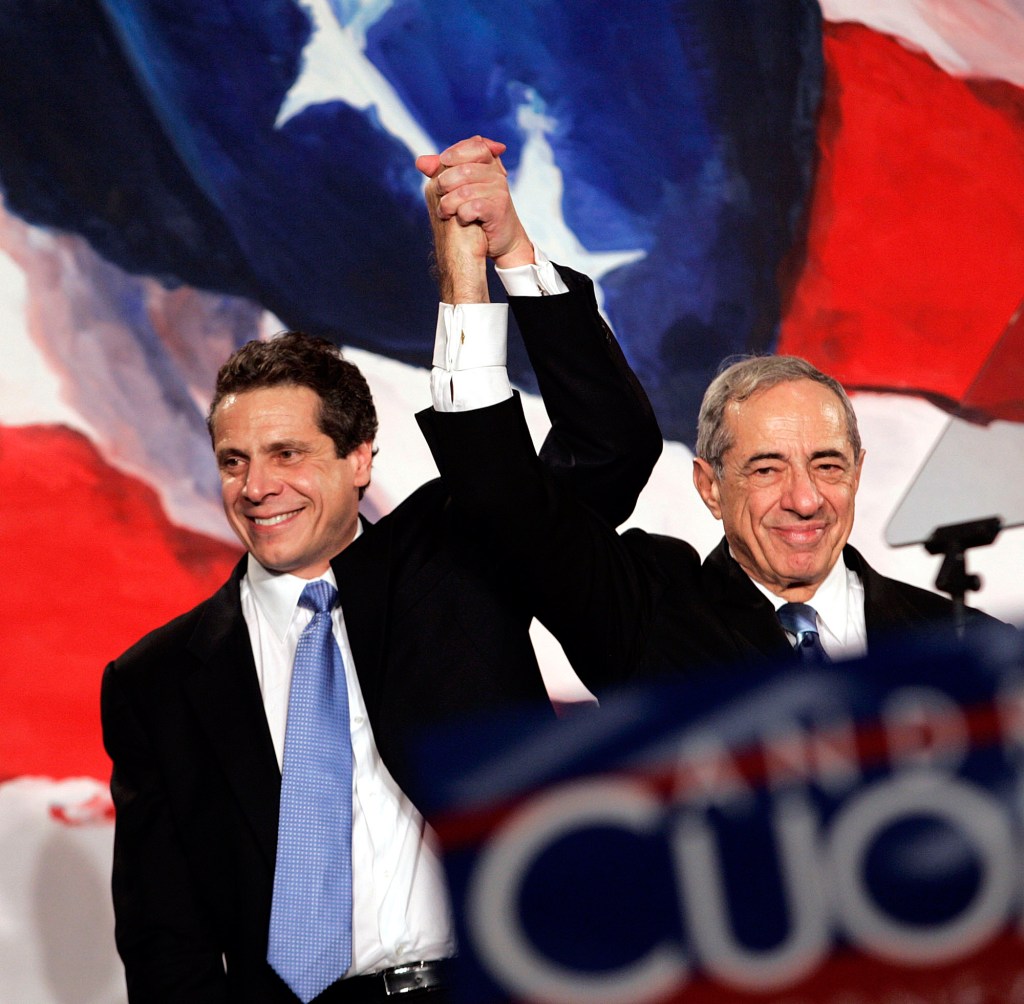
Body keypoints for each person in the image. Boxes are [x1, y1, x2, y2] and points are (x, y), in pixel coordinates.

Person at [99, 136, 662, 1003]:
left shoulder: (457, 552)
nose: (257, 487)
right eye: (234, 461)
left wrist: (507, 256)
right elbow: (165, 940)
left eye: (287, 453)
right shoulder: (157, 681)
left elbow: (607, 446)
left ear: (360, 457)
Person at [419, 245, 1017, 695]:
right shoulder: (650, 615)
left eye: (827, 465)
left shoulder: (968, 644)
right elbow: (507, 500)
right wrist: (497, 259)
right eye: (766, 470)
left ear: (857, 473)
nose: (805, 499)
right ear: (710, 487)